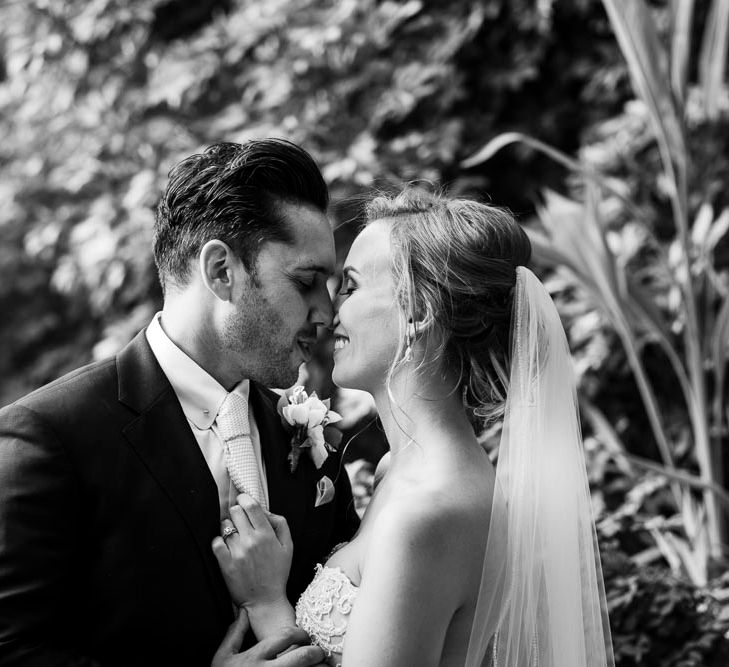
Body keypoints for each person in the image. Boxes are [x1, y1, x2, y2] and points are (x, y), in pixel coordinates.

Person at [213, 189, 615, 666]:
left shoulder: (429, 511)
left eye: (351, 286)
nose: (328, 311)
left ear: (418, 312)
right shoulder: (396, 472)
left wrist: (267, 604)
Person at [0, 140, 359, 666]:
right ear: (220, 270)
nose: (326, 313)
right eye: (307, 282)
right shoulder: (49, 436)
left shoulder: (307, 435)